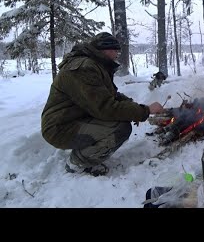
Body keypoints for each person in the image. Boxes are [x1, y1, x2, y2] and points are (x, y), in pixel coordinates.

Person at [41, 32, 164, 176]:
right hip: (60, 127)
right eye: (115, 52)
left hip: (74, 119)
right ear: (107, 50)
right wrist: (145, 110)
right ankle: (78, 162)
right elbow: (106, 108)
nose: (116, 55)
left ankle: (83, 153)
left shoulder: (94, 65)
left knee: (119, 121)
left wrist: (136, 109)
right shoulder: (84, 68)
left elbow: (111, 96)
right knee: (120, 129)